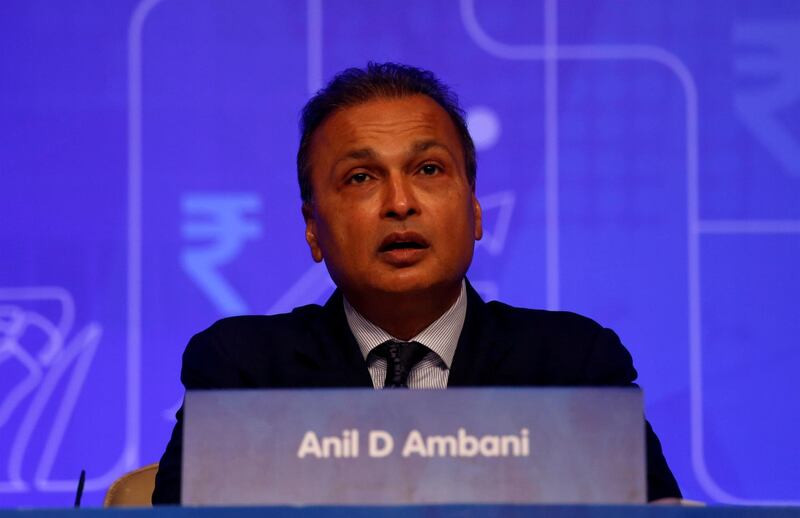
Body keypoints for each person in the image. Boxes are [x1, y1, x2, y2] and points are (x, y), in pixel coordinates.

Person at [152, 62, 682, 504]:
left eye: (428, 170)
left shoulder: (572, 368)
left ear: (475, 211)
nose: (400, 203)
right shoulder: (244, 374)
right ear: (312, 229)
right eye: (361, 178)